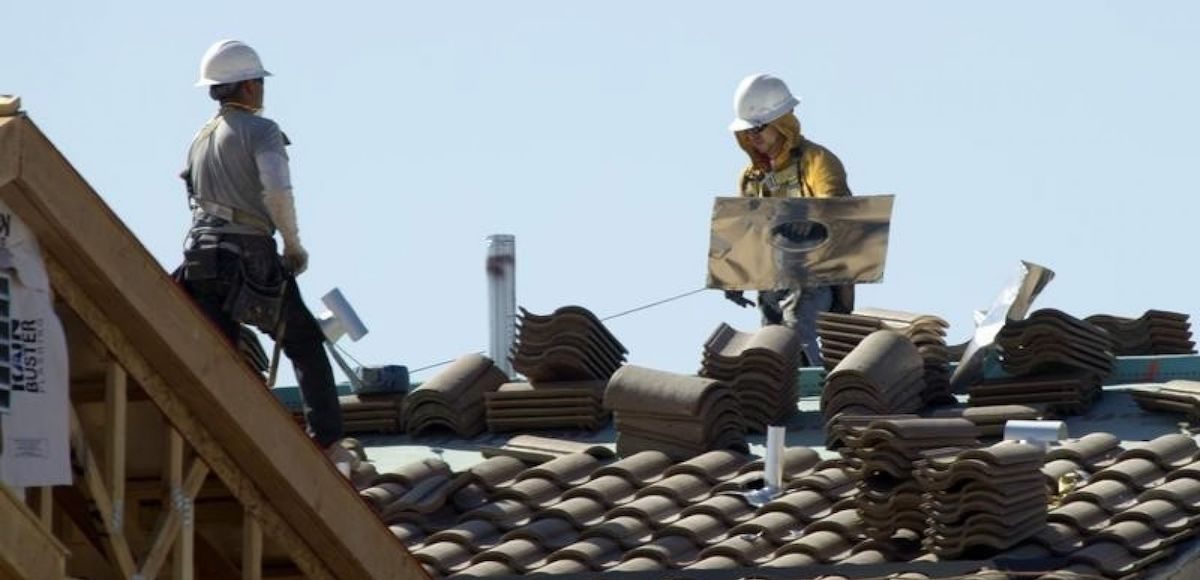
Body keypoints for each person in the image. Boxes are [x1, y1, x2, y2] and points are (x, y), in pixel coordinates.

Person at [176, 40, 354, 467]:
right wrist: (293, 247)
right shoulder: (262, 131)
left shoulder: (199, 139)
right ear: (250, 86)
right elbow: (277, 189)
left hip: (200, 257)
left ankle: (217, 438)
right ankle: (327, 440)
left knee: (222, 354)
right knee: (304, 341)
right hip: (246, 252)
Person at [722, 73, 854, 366]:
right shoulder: (751, 178)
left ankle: (809, 380)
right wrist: (734, 274)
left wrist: (805, 221)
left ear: (783, 122)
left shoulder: (817, 162)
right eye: (748, 131)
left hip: (817, 277)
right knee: (772, 336)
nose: (753, 137)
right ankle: (779, 384)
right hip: (771, 277)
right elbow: (747, 229)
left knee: (798, 326)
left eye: (759, 128)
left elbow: (836, 212)